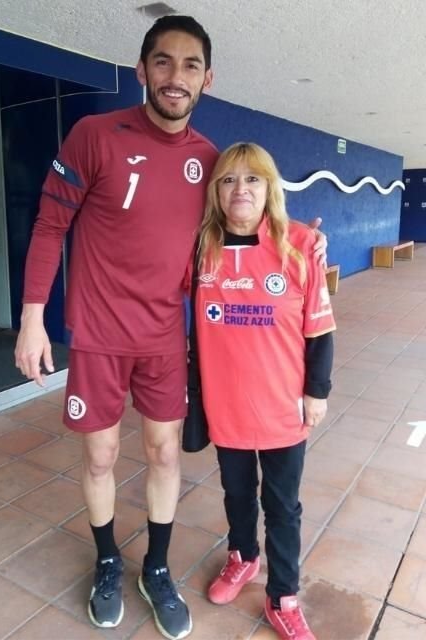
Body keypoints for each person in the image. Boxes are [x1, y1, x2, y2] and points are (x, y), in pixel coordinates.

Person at [12, 15, 326, 639]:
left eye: (189, 66)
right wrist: (30, 319)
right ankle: (108, 560)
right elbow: (50, 226)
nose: (174, 76)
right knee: (100, 455)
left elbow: (236, 234)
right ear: (142, 71)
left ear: (207, 79)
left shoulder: (209, 161)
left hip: (164, 341)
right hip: (98, 335)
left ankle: (157, 566)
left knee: (162, 452)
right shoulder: (93, 135)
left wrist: (302, 243)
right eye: (162, 61)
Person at [195, 143, 333, 640]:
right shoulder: (201, 247)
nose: (241, 190)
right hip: (225, 405)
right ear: (216, 190)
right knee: (236, 494)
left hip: (281, 407)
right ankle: (243, 557)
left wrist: (317, 392)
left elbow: (319, 331)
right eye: (229, 180)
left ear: (270, 187)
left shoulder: (297, 244)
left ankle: (283, 596)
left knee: (282, 505)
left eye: (253, 179)